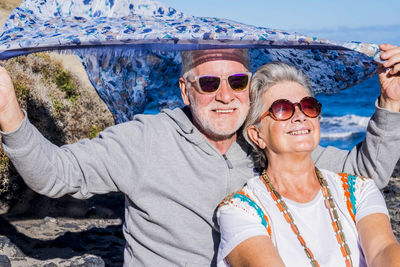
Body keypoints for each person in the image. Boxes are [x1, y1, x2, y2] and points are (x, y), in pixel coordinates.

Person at [0, 45, 399, 266]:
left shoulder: (267, 140)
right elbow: (55, 174)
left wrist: (389, 102)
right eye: (209, 83)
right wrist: (9, 114)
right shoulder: (144, 140)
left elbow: (362, 175)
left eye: (237, 81)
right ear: (185, 90)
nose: (225, 95)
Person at [217, 61, 400, 267]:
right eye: (282, 109)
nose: (300, 116)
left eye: (308, 106)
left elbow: (383, 250)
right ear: (257, 135)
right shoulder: (241, 210)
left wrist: (391, 101)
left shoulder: (359, 190)